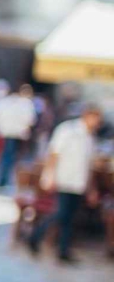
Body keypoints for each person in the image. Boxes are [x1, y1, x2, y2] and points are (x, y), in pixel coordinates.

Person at [28, 103, 105, 263]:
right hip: (64, 179)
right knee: (61, 213)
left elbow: (89, 165)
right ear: (87, 116)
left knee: (69, 217)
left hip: (79, 182)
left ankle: (63, 251)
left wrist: (91, 188)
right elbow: (54, 153)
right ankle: (35, 236)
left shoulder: (90, 137)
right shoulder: (67, 130)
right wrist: (49, 176)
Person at [0, 83, 37, 188]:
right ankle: (4, 179)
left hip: (6, 132)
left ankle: (3, 178)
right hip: (17, 134)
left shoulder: (6, 102)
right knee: (10, 156)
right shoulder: (26, 104)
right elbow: (30, 120)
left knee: (6, 155)